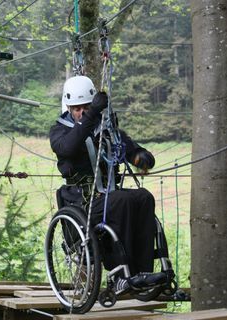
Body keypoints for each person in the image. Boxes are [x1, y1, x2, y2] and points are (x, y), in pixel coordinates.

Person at [49, 75, 167, 292]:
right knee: (120, 201)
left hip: (109, 198)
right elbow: (68, 147)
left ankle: (142, 273)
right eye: (77, 108)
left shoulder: (107, 130)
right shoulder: (59, 131)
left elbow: (132, 150)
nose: (81, 112)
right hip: (82, 204)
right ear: (68, 108)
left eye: (86, 107)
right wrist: (92, 113)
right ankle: (120, 276)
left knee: (143, 197)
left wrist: (142, 158)